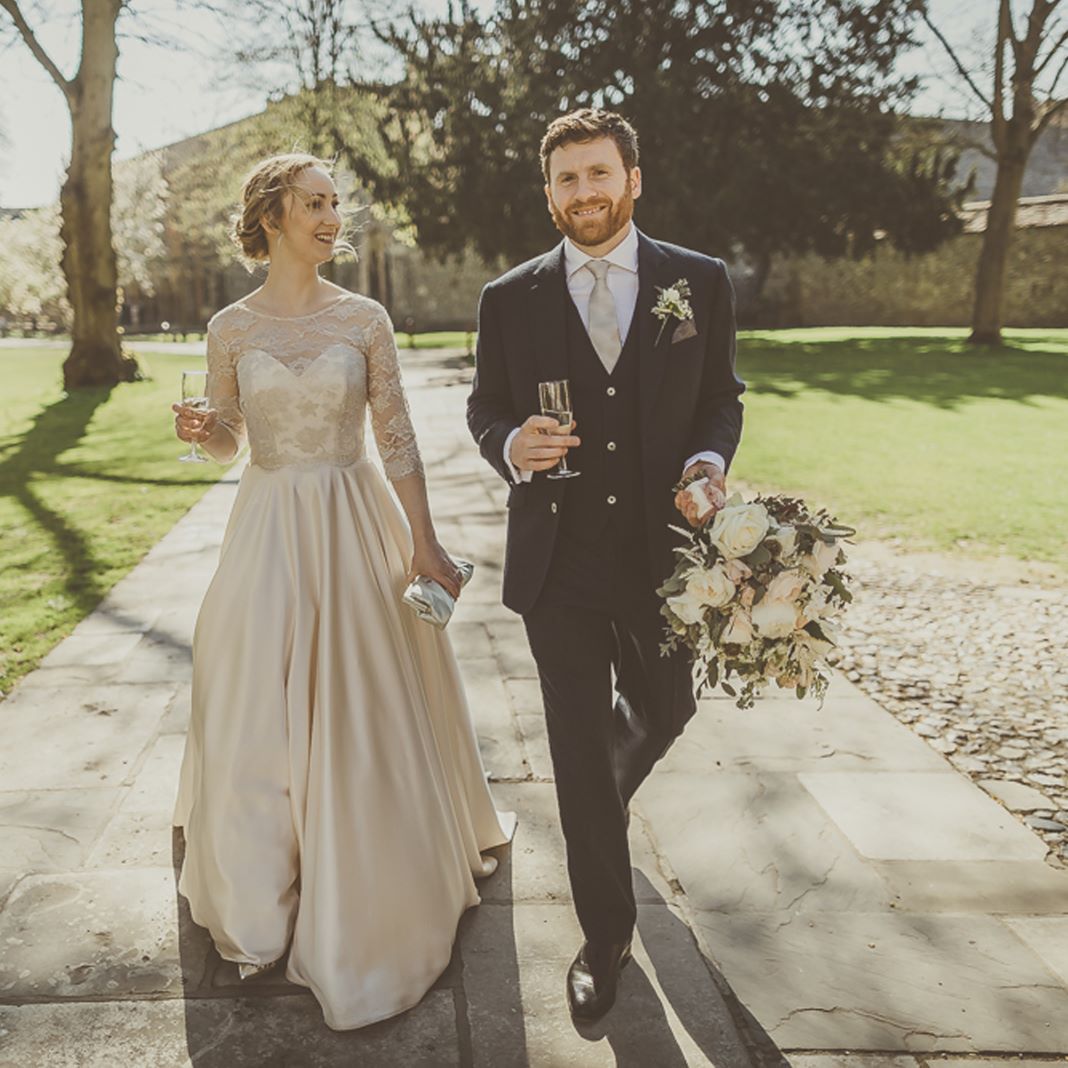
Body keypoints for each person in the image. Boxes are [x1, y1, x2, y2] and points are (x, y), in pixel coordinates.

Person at [171, 152, 515, 1031]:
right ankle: (255, 902)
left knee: (361, 703)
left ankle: (359, 892)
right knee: (245, 695)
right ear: (272, 215)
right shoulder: (229, 328)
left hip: (355, 519)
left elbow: (396, 439)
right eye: (314, 203)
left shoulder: (365, 318)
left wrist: (425, 543)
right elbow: (227, 445)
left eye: (335, 202)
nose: (331, 216)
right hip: (266, 527)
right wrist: (203, 431)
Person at [467, 109, 745, 1020]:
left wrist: (709, 463)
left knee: (667, 706)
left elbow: (720, 399)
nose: (583, 194)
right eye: (566, 180)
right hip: (562, 563)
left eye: (598, 175)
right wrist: (514, 443)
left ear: (633, 179)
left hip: (666, 560)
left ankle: (600, 802)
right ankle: (604, 936)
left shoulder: (698, 283)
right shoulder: (509, 297)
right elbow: (485, 409)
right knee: (579, 752)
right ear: (548, 193)